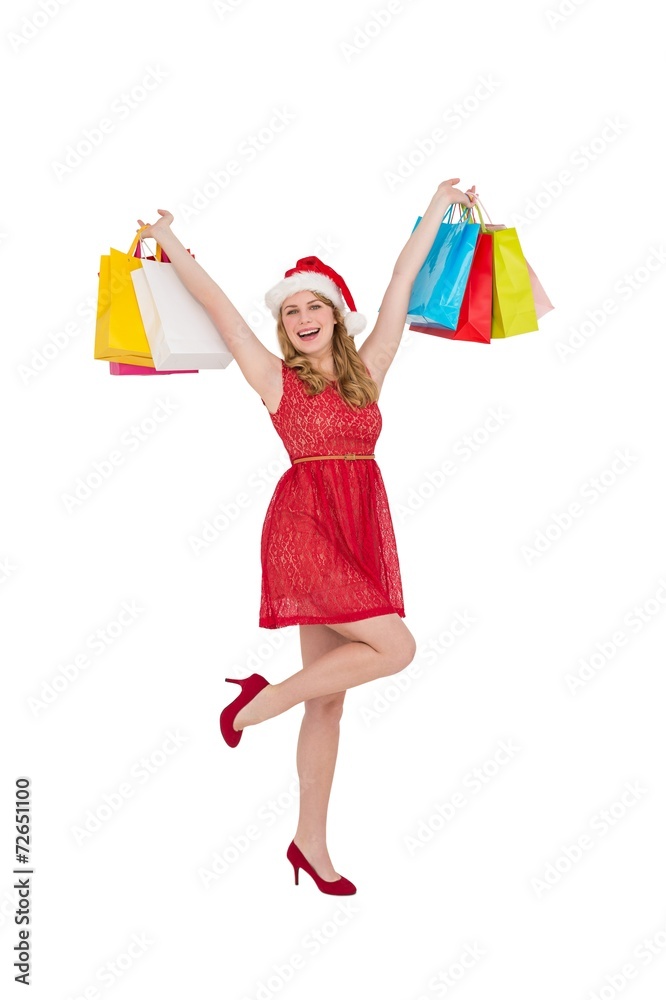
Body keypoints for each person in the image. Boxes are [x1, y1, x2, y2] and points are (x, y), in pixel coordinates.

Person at [136, 177, 478, 895]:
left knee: (331, 697)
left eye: (311, 304)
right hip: (303, 526)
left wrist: (440, 208)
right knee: (395, 647)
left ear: (333, 315)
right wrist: (169, 241)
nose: (300, 316)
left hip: (359, 525)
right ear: (283, 324)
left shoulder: (370, 370)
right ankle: (258, 701)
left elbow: (399, 282)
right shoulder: (272, 379)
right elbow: (223, 312)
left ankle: (308, 844)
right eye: (289, 309)